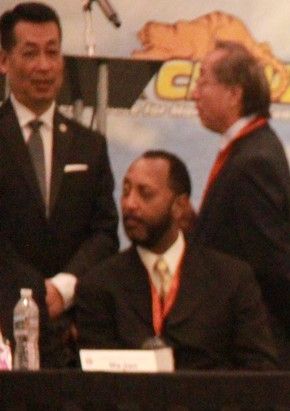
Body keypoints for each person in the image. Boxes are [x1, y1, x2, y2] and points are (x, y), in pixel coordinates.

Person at [75, 150, 278, 370]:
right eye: (125, 192)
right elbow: (95, 381)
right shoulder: (99, 284)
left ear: (179, 206)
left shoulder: (231, 279)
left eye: (145, 193)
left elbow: (259, 371)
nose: (130, 204)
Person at [0, 1, 119, 366]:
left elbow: (104, 232)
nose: (44, 66)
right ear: (4, 61)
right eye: (30, 53)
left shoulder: (90, 144)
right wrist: (34, 292)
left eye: (52, 52)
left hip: (73, 326)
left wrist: (64, 287)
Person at [190, 39, 290, 366]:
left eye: (203, 82)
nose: (193, 94)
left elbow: (269, 261)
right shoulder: (250, 149)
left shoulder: (254, 161)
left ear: (233, 94)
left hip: (252, 345)